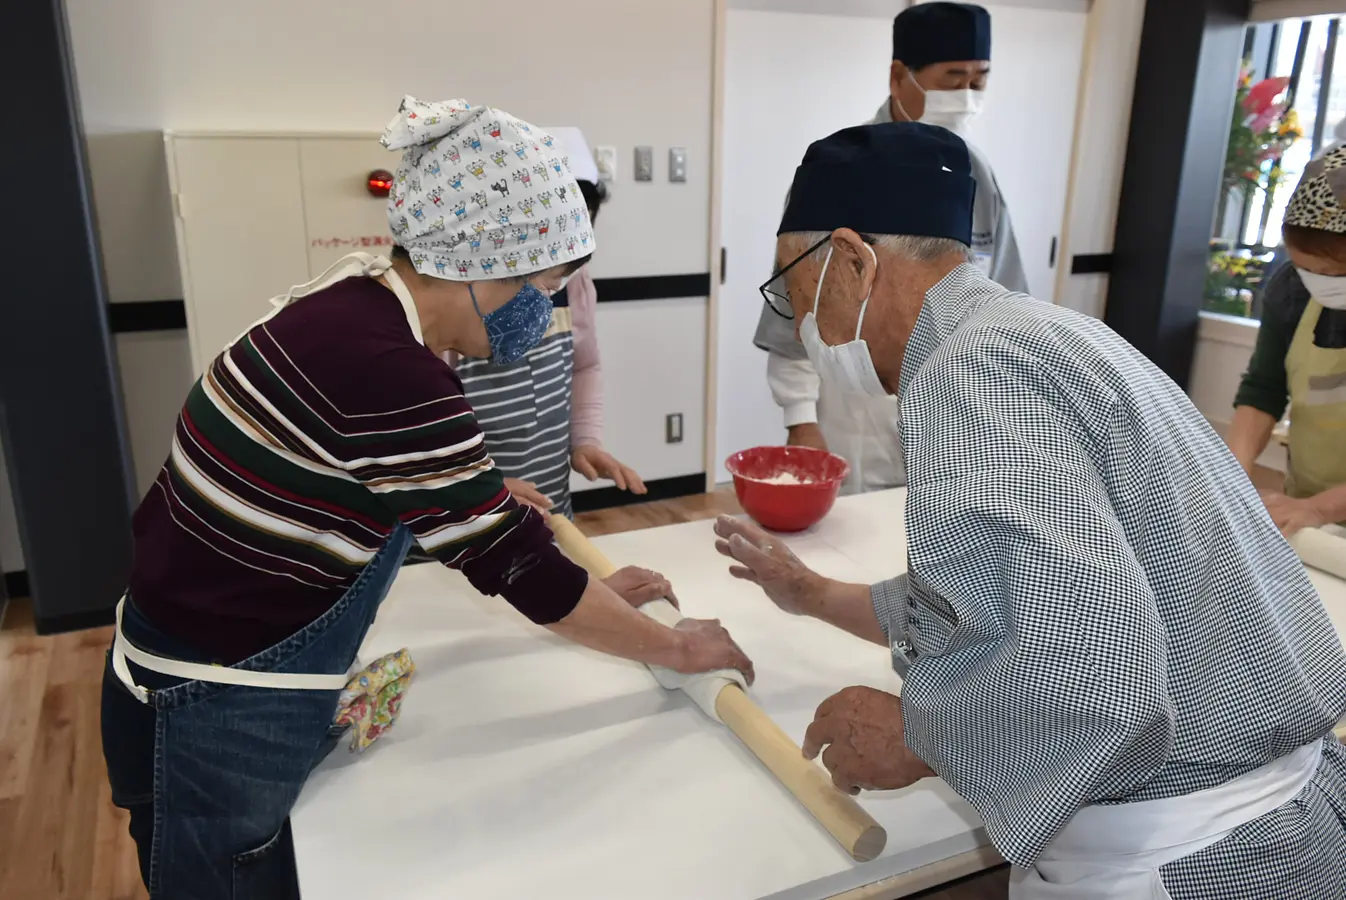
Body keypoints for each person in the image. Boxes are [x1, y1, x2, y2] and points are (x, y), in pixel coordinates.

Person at [100, 96, 753, 900]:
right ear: (485, 264)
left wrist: (494, 511)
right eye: (544, 286)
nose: (542, 313)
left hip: (180, 665)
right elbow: (521, 573)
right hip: (215, 703)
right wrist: (675, 648)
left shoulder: (351, 306)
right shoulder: (395, 372)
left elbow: (388, 492)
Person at [717, 122, 1346, 897]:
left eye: (793, 289)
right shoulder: (1049, 334)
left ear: (851, 259)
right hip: (1288, 818)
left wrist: (918, 737)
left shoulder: (969, 372)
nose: (801, 324)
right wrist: (815, 595)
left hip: (1187, 854)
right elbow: (1010, 596)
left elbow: (1090, 662)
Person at [753, 1, 1026, 495]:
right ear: (900, 76)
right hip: (857, 408)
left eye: (979, 80)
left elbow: (1008, 303)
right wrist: (800, 417)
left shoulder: (977, 178)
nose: (967, 94)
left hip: (959, 406)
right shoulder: (836, 173)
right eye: (952, 77)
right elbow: (796, 310)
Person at [452, 127, 643, 519]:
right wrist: (471, 485)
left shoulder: (574, 286)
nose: (567, 265)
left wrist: (585, 441)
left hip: (547, 497)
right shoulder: (456, 301)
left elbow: (585, 365)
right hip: (464, 515)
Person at [1226, 145, 1346, 537]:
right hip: (1313, 516)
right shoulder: (1293, 291)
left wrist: (1318, 509)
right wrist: (1232, 475)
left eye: (1331, 273)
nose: (1317, 284)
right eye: (1305, 269)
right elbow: (1265, 389)